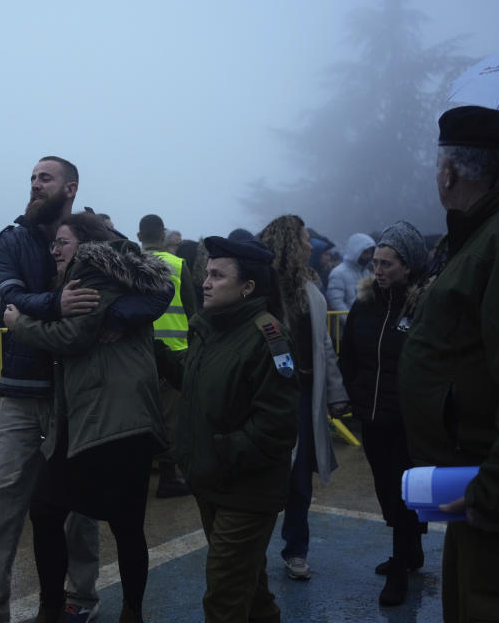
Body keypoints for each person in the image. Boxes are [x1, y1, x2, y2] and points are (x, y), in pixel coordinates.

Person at [0, 156, 169, 623]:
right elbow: (12, 298)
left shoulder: (97, 234)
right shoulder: (11, 241)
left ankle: (80, 600)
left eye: (46, 178)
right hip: (25, 386)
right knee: (6, 494)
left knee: (77, 511)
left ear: (71, 188)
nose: (35, 185)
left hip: (80, 395)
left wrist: (117, 317)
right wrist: (57, 304)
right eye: (32, 178)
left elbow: (156, 289)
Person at [399, 106, 499, 622]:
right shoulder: (484, 235)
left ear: (450, 173)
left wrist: (497, 492)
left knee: (497, 608)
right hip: (481, 488)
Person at [4, 211, 171, 623]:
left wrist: (18, 324)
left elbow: (73, 337)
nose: (54, 251)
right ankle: (89, 609)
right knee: (75, 513)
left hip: (114, 416)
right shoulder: (105, 271)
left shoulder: (92, 269)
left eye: (61, 242)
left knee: (94, 517)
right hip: (101, 416)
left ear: (85, 242)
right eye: (53, 244)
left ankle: (77, 611)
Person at [156, 236, 299, 623]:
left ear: (247, 287)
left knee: (223, 597)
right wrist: (155, 352)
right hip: (212, 482)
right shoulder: (210, 328)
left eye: (218, 275)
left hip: (245, 491)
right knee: (249, 589)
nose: (206, 282)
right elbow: (193, 378)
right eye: (207, 273)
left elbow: (278, 425)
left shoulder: (269, 337)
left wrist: (219, 452)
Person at [338, 220, 428, 606]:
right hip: (371, 417)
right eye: (375, 262)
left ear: (407, 266)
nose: (378, 271)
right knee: (385, 489)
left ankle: (399, 571)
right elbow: (349, 356)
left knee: (402, 492)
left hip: (408, 421)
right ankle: (410, 550)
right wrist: (354, 395)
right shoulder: (364, 304)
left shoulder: (424, 307)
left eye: (387, 264)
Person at [258, 215, 349, 581]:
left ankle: (296, 549)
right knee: (266, 477)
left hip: (305, 394)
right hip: (269, 395)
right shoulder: (262, 288)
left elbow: (324, 345)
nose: (311, 246)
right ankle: (253, 551)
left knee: (299, 480)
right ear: (289, 244)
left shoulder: (312, 288)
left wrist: (336, 394)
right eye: (305, 239)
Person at [137, 214, 195, 498]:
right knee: (171, 418)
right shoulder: (177, 264)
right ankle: (169, 478)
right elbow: (193, 310)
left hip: (137, 352)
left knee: (140, 415)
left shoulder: (127, 263)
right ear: (162, 235)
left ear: (139, 236)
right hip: (175, 352)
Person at [326, 232, 375, 311]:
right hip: (349, 322)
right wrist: (351, 321)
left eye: (370, 253)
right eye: (365, 252)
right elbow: (336, 302)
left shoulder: (366, 272)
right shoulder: (338, 273)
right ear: (356, 251)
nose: (369, 256)